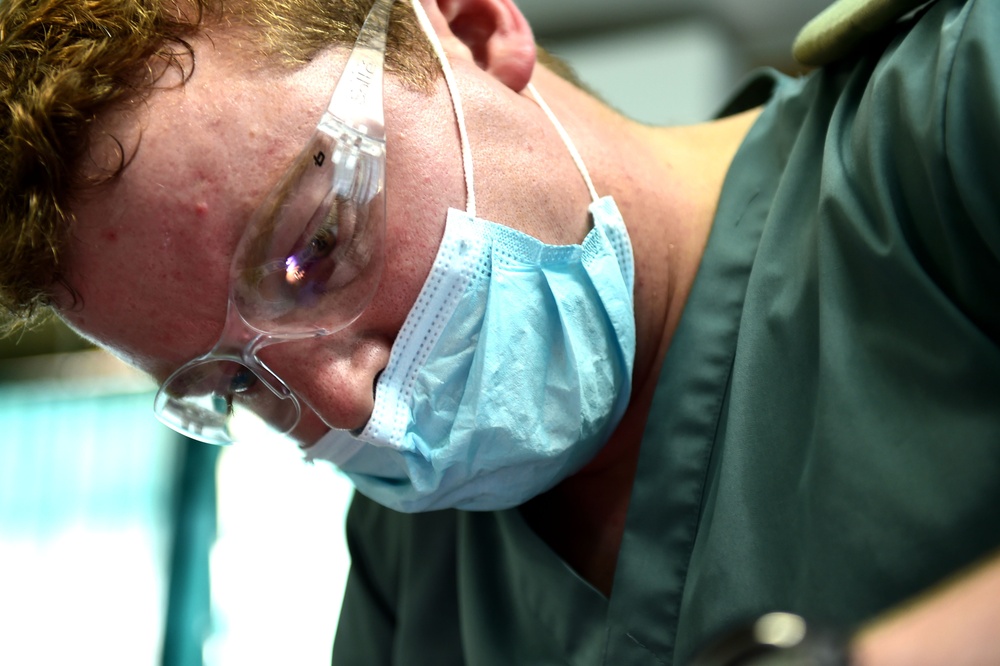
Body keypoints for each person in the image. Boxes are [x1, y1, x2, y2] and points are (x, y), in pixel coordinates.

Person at [1, 0, 998, 663]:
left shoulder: (946, 130)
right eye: (236, 386)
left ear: (473, 35)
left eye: (313, 253)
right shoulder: (417, 575)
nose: (349, 409)